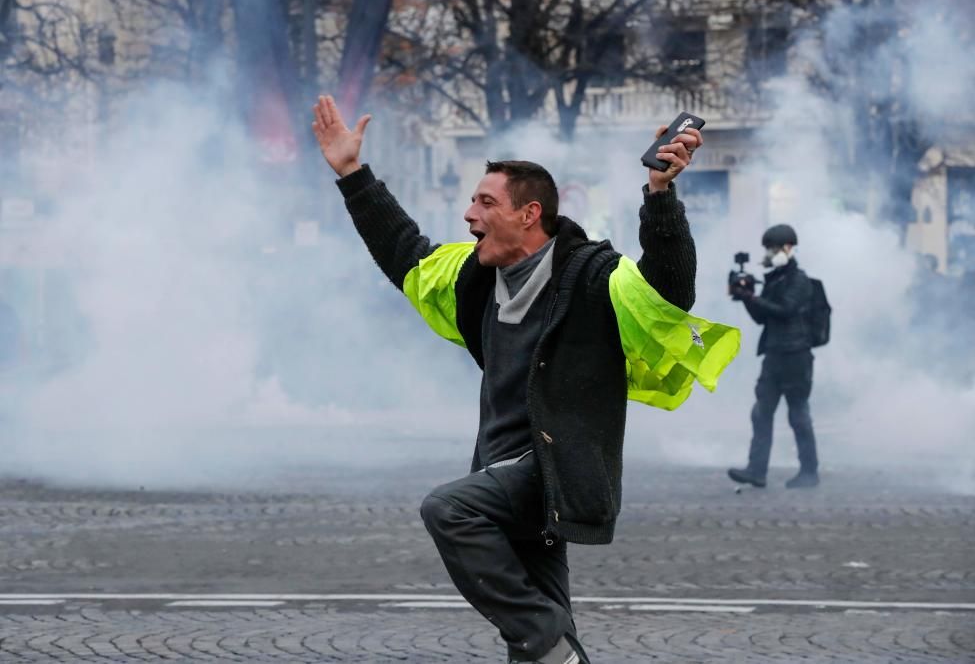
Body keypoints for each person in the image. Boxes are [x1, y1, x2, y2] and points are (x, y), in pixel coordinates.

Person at [311, 95, 739, 664]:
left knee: (451, 514)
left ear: (529, 214)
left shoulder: (592, 276)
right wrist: (351, 173)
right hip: (503, 473)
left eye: (485, 202)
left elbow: (668, 294)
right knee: (548, 643)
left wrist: (660, 193)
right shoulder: (474, 277)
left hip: (551, 471)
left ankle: (542, 638)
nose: (469, 215)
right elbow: (405, 253)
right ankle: (549, 644)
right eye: (472, 201)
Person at [728, 224, 819, 489]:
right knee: (761, 413)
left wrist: (752, 297)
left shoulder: (799, 280)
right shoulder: (774, 278)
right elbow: (761, 318)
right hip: (774, 356)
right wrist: (745, 297)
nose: (769, 253)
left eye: (774, 248)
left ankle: (809, 471)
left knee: (798, 415)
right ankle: (756, 470)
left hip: (796, 356)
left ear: (788, 248)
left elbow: (786, 310)